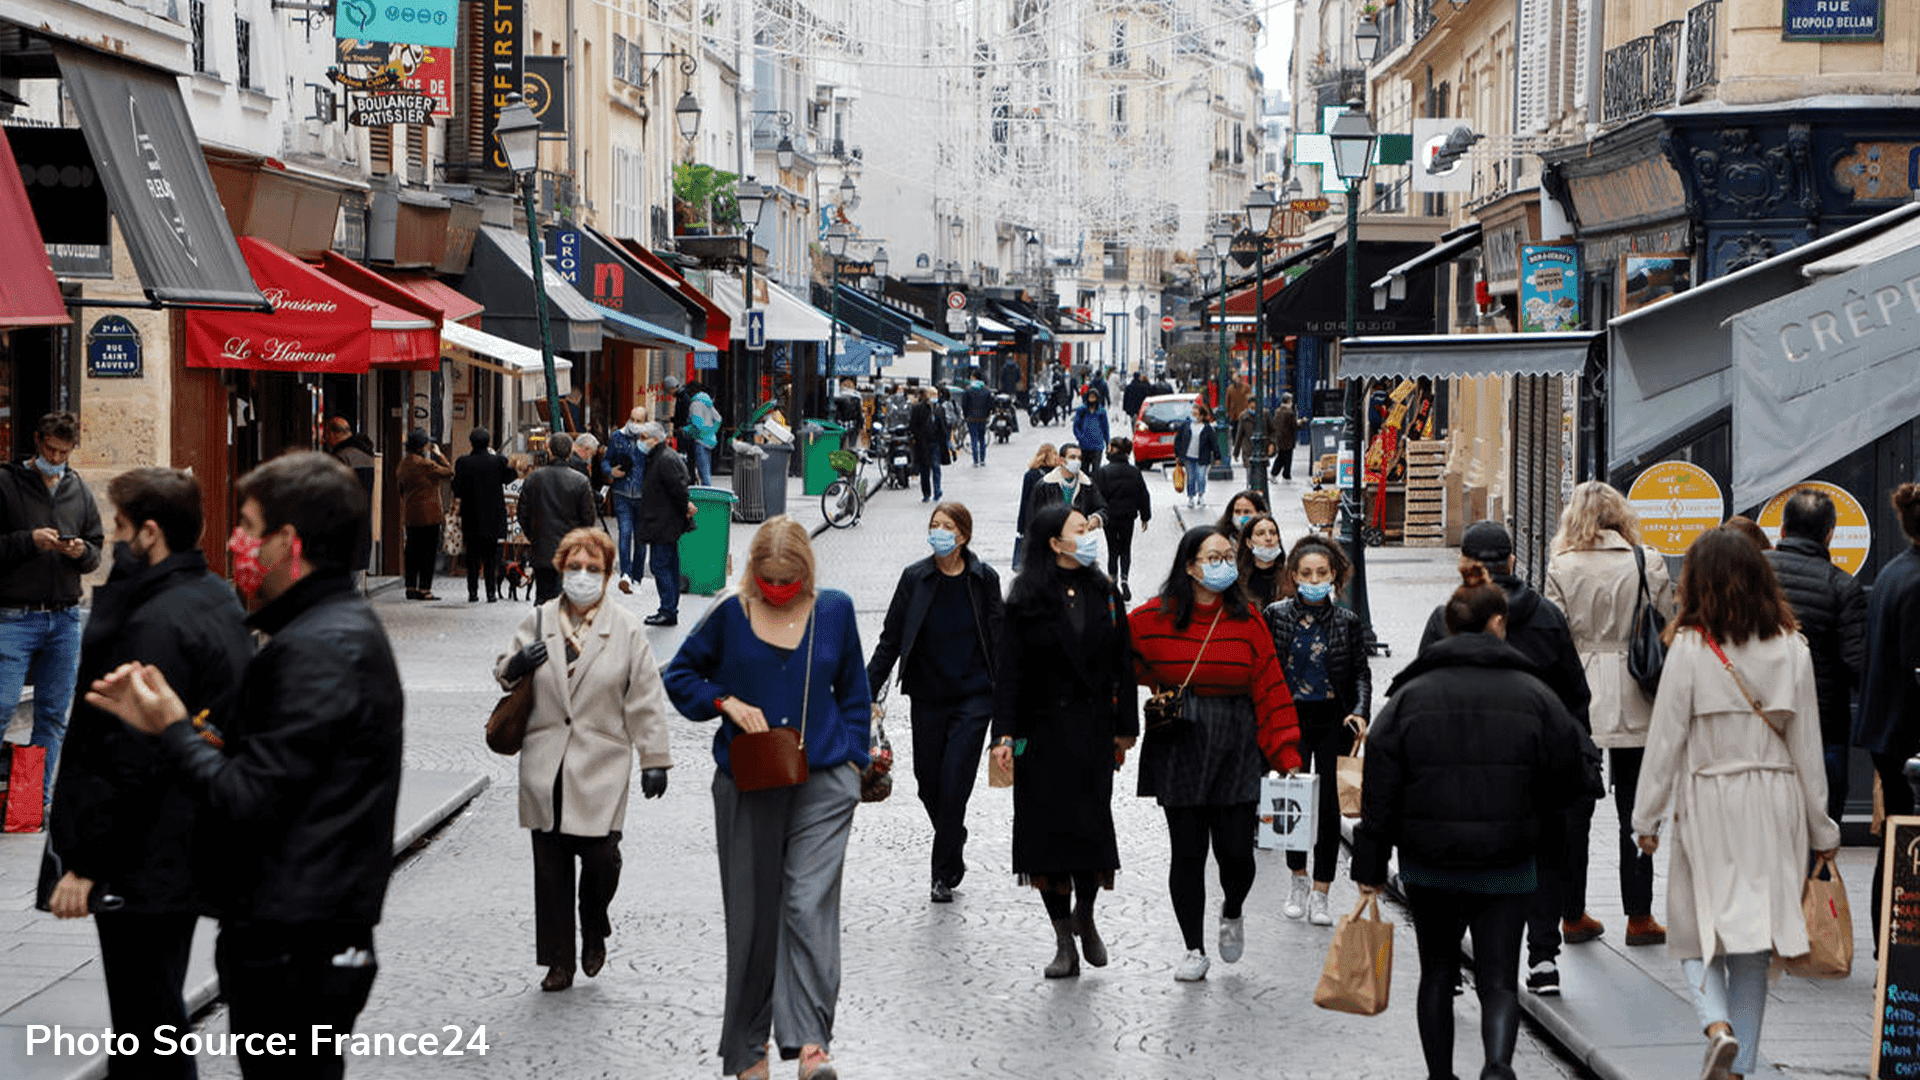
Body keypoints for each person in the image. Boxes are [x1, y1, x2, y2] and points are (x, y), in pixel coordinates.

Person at [84, 451, 404, 1080]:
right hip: (299, 927)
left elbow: (251, 798)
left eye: (250, 526)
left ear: (289, 542)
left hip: (295, 939)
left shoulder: (318, 647)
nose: (235, 540)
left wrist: (173, 730)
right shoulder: (318, 631)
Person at [47, 467, 251, 1080]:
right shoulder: (216, 597)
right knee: (153, 1013)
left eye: (121, 526)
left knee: (145, 1024)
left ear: (151, 533)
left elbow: (128, 752)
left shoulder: (153, 622)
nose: (113, 537)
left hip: (146, 849)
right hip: (188, 837)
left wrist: (85, 861)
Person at [1353, 559, 1593, 1080]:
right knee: (1500, 978)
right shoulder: (1536, 696)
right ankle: (1497, 1064)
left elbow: (1380, 791)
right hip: (1507, 861)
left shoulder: (1407, 699)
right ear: (1498, 625)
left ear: (1446, 627)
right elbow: (1568, 778)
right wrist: (1545, 837)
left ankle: (1441, 1075)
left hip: (1430, 862)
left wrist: (1371, 863)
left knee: (1437, 971)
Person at [663, 517, 870, 1080]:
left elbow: (855, 689)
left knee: (808, 904)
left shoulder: (835, 610)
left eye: (789, 576)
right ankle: (749, 1050)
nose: (778, 586)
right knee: (753, 919)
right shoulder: (730, 614)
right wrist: (725, 701)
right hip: (749, 780)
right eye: (769, 576)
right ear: (753, 570)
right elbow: (678, 676)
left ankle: (810, 1044)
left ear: (807, 571)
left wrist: (855, 759)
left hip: (823, 778)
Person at [1633, 527, 1839, 1080]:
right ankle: (1740, 1066)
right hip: (1776, 803)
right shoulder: (1793, 648)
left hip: (1708, 798)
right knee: (1753, 942)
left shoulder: (1692, 647)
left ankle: (1716, 1026)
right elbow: (1808, 748)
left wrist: (1645, 817)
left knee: (1693, 925)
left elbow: (1666, 740)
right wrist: (1823, 829)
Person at [494, 528, 671, 991]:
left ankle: (594, 922)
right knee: (550, 868)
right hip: (545, 762)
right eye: (575, 568)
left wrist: (654, 757)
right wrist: (515, 666)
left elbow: (645, 697)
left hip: (601, 765)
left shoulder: (628, 629)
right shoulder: (538, 620)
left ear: (608, 574)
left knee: (601, 860)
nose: (583, 576)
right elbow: (503, 668)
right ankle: (559, 961)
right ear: (560, 569)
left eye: (593, 569)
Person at [1424, 520, 1595, 993]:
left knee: (1466, 861)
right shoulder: (1547, 616)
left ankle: (1458, 954)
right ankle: (1542, 961)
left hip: (1466, 767)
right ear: (1513, 562)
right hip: (1535, 766)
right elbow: (1574, 696)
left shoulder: (1446, 618)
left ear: (1467, 566)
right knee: (1541, 860)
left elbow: (1423, 692)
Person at [1131, 525, 1300, 982]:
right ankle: (1192, 947)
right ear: (1189, 566)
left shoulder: (1249, 623)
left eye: (1228, 555)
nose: (1224, 564)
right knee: (1186, 852)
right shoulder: (1152, 618)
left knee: (1236, 855)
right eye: (1213, 556)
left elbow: (1270, 687)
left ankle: (1232, 906)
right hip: (1179, 743)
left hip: (1236, 743)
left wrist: (1286, 753)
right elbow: (1118, 664)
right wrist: (1120, 729)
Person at [990, 506, 1136, 978]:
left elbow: (1123, 667)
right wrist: (1004, 736)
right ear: (1055, 542)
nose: (1091, 533)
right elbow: (1009, 673)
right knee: (1045, 839)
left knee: (1090, 832)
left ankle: (1086, 915)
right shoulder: (1025, 599)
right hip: (1041, 734)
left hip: (1093, 732)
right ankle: (1061, 940)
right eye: (1081, 528)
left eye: (1090, 527)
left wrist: (1125, 728)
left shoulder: (1106, 593)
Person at [1540, 484, 1676, 968]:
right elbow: (1667, 621)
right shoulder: (1647, 561)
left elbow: (1553, 632)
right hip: (1638, 690)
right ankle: (1638, 915)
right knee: (1636, 807)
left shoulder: (1562, 567)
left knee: (1575, 810)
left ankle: (1572, 914)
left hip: (1580, 694)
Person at [867, 503, 1004, 903]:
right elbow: (890, 639)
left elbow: (1000, 641)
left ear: (963, 535)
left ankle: (941, 874)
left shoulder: (984, 579)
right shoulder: (915, 578)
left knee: (954, 781)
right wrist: (861, 693)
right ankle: (953, 833)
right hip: (927, 697)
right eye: (934, 525)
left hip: (975, 699)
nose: (939, 532)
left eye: (947, 526)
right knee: (928, 781)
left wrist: (1011, 699)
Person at [1262, 534, 1370, 924]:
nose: (1314, 579)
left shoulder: (1347, 620)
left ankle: (1322, 891)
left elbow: (1360, 672)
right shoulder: (1275, 615)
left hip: (1333, 720)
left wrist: (1360, 711)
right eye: (1306, 573)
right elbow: (1266, 670)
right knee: (1291, 800)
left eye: (1321, 573)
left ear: (1334, 576)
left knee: (1328, 808)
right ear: (1293, 576)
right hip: (1290, 718)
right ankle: (1298, 879)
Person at [0, 411, 101, 806]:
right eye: (51, 450)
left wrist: (81, 552)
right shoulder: (7, 483)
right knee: (3, 706)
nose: (56, 459)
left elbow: (95, 551)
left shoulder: (79, 489)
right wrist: (29, 541)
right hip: (14, 616)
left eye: (64, 452)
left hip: (64, 617)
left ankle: (29, 806)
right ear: (38, 441)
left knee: (53, 717)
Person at [1763, 489, 1866, 826]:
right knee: (1820, 820)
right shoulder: (1842, 586)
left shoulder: (1754, 575)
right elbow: (1856, 663)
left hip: (1761, 720)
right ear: (1829, 534)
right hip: (1824, 725)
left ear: (1781, 530)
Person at [1856, 483, 1920, 951]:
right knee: (1906, 841)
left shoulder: (1893, 573)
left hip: (1887, 729)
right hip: (1909, 734)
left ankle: (1889, 942)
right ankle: (1898, 944)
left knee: (1896, 839)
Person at [518, 433, 598, 606]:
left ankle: (543, 628)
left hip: (542, 546)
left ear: (550, 451)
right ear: (570, 452)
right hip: (570, 550)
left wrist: (533, 535)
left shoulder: (534, 478)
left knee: (542, 595)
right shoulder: (580, 481)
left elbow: (522, 513)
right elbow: (589, 518)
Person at [633, 422, 693, 627]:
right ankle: (669, 608)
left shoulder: (664, 459)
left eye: (643, 438)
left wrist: (685, 507)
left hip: (663, 522)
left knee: (661, 565)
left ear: (655, 439)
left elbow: (678, 488)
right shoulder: (660, 457)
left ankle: (667, 610)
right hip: (663, 520)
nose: (641, 442)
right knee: (668, 564)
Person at [453, 427, 513, 603]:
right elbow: (510, 477)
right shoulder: (498, 461)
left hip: (471, 515)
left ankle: (472, 592)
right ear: (488, 443)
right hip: (493, 516)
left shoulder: (463, 462)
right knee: (491, 556)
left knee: (471, 555)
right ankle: (491, 593)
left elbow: (457, 488)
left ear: (471, 442)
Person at [396, 430, 453, 601]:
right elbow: (449, 472)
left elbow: (400, 489)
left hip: (411, 514)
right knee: (428, 553)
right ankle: (424, 589)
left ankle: (410, 587)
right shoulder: (426, 464)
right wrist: (439, 454)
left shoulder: (403, 464)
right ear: (422, 446)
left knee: (412, 552)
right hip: (429, 515)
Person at [1093, 438, 1152, 601]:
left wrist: (1096, 515)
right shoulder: (1134, 471)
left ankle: (1113, 582)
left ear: (1113, 450)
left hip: (1110, 517)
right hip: (1128, 516)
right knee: (1125, 548)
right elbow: (1143, 494)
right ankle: (1125, 579)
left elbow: (1098, 496)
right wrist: (1145, 516)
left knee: (1113, 550)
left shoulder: (1103, 471)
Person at [323, 415, 376, 577]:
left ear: (335, 434)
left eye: (326, 435)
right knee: (353, 579)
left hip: (342, 526)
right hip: (362, 523)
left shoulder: (341, 457)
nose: (324, 439)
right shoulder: (366, 456)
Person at [606, 407, 650, 594]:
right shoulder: (617, 437)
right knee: (624, 532)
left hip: (643, 496)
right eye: (632, 419)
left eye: (639, 421)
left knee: (641, 539)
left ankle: (637, 578)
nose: (634, 424)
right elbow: (606, 460)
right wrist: (610, 471)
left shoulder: (649, 439)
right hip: (622, 493)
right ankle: (625, 574)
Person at [1028, 444, 1108, 535]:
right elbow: (1033, 516)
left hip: (1078, 539)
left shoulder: (1087, 484)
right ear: (1061, 460)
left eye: (1079, 458)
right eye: (1072, 457)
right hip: (1053, 540)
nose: (1077, 461)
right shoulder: (1046, 485)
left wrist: (1097, 518)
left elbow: (1102, 507)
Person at [1014, 444, 1059, 568]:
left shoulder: (1030, 475)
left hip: (1034, 520)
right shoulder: (1059, 474)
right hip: (1054, 520)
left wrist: (1020, 527)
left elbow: (1025, 501)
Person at [1173, 402, 1220, 510]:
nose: (1194, 416)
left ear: (1202, 416)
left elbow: (1214, 443)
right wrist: (1177, 454)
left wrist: (1217, 457)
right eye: (1193, 413)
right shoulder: (1186, 426)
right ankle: (1191, 497)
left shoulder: (1207, 428)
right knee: (1191, 478)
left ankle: (1201, 495)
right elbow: (1178, 440)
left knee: (1201, 477)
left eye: (1196, 414)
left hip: (1202, 457)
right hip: (1189, 457)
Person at [908, 388, 950, 503]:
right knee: (925, 469)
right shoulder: (918, 408)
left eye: (936, 394)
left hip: (936, 442)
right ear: (926, 395)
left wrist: (946, 441)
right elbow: (913, 425)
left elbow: (944, 426)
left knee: (936, 467)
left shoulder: (940, 409)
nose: (934, 396)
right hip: (923, 443)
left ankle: (937, 491)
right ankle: (926, 493)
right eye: (932, 394)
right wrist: (918, 437)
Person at [1238, 514, 1287, 608]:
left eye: (1273, 533)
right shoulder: (1239, 579)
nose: (1268, 538)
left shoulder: (1288, 577)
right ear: (1249, 542)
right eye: (1260, 533)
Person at [687, 386, 723, 486]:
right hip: (709, 440)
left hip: (700, 440)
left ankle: (706, 494)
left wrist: (686, 431)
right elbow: (718, 419)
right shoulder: (708, 403)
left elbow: (696, 424)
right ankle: (707, 489)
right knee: (706, 467)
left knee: (703, 470)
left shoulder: (695, 404)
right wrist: (711, 432)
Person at [1071, 388, 1109, 468]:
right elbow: (1076, 426)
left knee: (1096, 470)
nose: (1092, 399)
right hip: (1084, 446)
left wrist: (1108, 443)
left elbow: (1106, 428)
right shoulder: (1081, 410)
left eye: (1094, 397)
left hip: (1097, 446)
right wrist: (1080, 437)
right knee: (1084, 470)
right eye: (1090, 397)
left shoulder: (1101, 411)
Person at [961, 379, 994, 466]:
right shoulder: (986, 391)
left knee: (973, 439)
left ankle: (975, 461)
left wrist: (966, 416)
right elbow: (990, 405)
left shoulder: (968, 390)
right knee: (982, 439)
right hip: (983, 419)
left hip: (971, 418)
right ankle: (982, 460)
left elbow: (964, 405)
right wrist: (987, 415)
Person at [1270, 392, 1300, 481]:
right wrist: (1301, 422)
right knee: (1284, 458)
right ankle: (1277, 473)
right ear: (1288, 401)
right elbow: (1294, 425)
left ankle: (1285, 474)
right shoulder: (1289, 412)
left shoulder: (1278, 411)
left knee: (1283, 457)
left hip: (1280, 438)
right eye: (1290, 400)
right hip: (1287, 439)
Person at [1224, 375, 1252, 462]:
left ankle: (1241, 449)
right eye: (1235, 378)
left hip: (1243, 414)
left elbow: (1250, 399)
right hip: (1234, 415)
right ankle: (1236, 448)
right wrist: (1228, 412)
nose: (1236, 380)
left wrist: (1248, 409)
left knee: (1242, 433)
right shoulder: (1230, 388)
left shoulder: (1246, 387)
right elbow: (1227, 401)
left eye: (1238, 378)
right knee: (1235, 432)